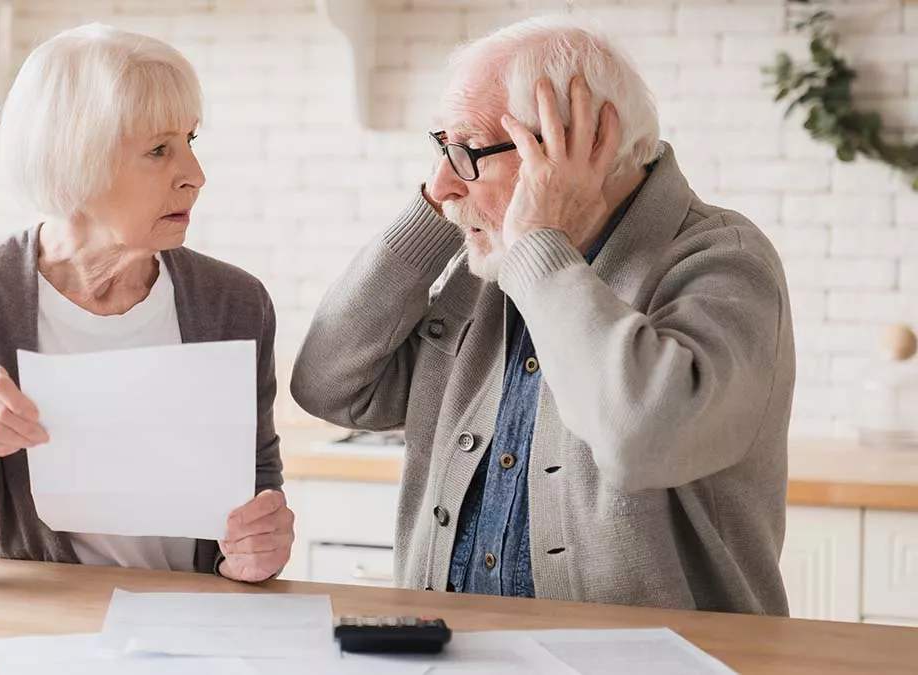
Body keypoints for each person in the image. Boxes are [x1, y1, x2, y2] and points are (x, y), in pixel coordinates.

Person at [291, 15, 795, 615]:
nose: (442, 183)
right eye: (443, 147)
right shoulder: (489, 265)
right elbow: (328, 386)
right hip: (450, 648)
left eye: (468, 150)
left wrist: (539, 246)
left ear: (580, 147)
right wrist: (441, 216)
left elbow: (642, 440)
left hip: (653, 656)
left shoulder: (723, 259)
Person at [0, 24, 293, 584]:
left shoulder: (235, 303)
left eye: (191, 141)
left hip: (194, 621)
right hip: (39, 626)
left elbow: (255, 498)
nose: (196, 176)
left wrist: (258, 549)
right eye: (159, 150)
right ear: (73, 161)